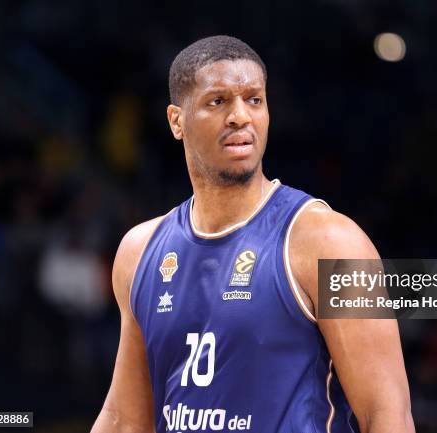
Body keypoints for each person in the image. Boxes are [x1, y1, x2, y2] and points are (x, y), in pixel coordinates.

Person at [91, 35, 414, 433]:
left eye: (254, 99)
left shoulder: (327, 241)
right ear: (177, 121)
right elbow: (125, 419)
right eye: (218, 101)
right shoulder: (140, 251)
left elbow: (387, 415)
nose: (240, 116)